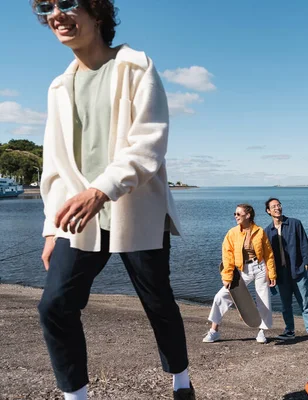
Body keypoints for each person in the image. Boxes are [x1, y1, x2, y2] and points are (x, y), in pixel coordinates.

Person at [32, 1, 195, 399]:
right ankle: (76, 395)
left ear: (97, 14)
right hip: (77, 214)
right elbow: (53, 164)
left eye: (66, 3)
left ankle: (182, 383)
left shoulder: (136, 66)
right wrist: (51, 230)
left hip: (137, 208)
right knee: (54, 305)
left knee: (158, 302)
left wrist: (101, 189)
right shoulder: (57, 86)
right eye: (46, 7)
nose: (56, 13)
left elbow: (149, 142)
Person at [203, 204, 277, 343]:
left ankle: (262, 332)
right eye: (235, 214)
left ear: (247, 215)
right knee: (221, 296)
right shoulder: (232, 233)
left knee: (263, 300)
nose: (235, 216)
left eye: (238, 214)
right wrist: (227, 276)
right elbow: (227, 256)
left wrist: (272, 274)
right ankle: (214, 330)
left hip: (260, 268)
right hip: (242, 270)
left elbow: (269, 254)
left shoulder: (260, 231)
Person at [264, 198, 308, 342]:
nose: (277, 208)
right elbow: (267, 254)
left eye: (279, 205)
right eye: (274, 206)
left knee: (304, 302)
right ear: (268, 211)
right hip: (281, 274)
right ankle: (289, 330)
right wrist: (269, 273)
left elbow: (304, 243)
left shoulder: (295, 223)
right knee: (286, 304)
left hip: (297, 270)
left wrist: (306, 263)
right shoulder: (267, 231)